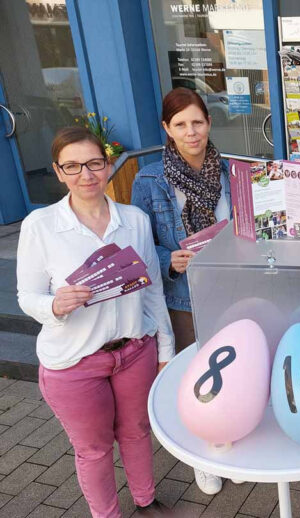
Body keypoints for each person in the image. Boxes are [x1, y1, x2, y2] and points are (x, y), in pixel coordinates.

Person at [16, 127, 175, 517]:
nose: (85, 175)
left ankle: (146, 501)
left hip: (134, 350)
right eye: (72, 166)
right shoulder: (41, 225)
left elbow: (152, 289)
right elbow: (26, 297)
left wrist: (165, 350)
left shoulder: (134, 220)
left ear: (107, 165)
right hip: (75, 362)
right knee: (94, 448)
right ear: (57, 171)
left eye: (94, 164)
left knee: (137, 433)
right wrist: (54, 305)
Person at [131, 87, 233, 496]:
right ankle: (201, 456)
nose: (191, 132)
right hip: (183, 299)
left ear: (208, 123)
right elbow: (137, 249)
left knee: (230, 371)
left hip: (231, 291)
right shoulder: (149, 179)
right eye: (180, 125)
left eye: (197, 122)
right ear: (166, 129)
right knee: (196, 380)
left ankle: (229, 440)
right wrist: (168, 258)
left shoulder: (230, 173)